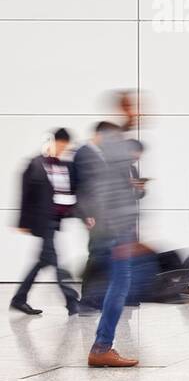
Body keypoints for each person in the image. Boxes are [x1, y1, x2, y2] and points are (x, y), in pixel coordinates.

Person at [88, 91, 144, 367]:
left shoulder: (114, 151)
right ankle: (101, 348)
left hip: (119, 228)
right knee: (119, 285)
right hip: (117, 229)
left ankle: (102, 345)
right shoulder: (110, 148)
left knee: (118, 284)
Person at [10, 128, 80, 316]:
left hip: (55, 220)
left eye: (66, 147)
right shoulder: (35, 164)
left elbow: (69, 191)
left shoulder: (64, 166)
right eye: (61, 145)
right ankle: (72, 301)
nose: (62, 150)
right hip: (43, 221)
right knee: (55, 262)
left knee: (42, 262)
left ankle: (18, 299)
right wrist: (22, 222)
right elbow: (25, 196)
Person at [72, 120, 114, 309]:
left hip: (105, 213)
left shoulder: (100, 153)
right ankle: (87, 299)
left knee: (103, 252)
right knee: (97, 252)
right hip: (94, 214)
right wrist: (86, 213)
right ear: (100, 135)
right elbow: (81, 185)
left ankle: (97, 296)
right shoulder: (84, 153)